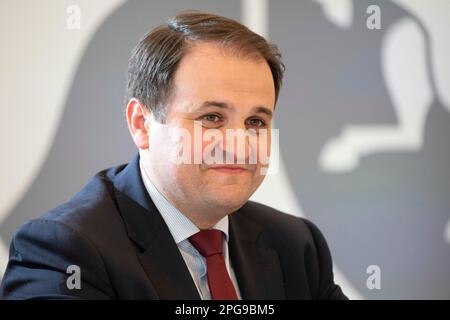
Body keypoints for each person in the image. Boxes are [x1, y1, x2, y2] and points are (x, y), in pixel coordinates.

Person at [0, 11, 346, 300]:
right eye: (211, 117)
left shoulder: (297, 246)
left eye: (256, 121)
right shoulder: (64, 251)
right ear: (142, 124)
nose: (239, 144)